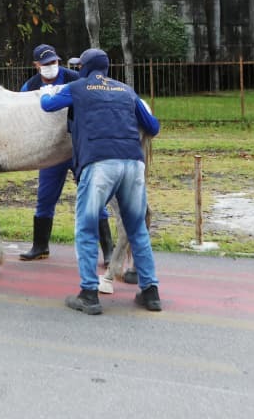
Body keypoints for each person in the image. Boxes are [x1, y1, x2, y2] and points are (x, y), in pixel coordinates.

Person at [40, 48, 162, 316]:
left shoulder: (78, 87)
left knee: (86, 227)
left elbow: (47, 106)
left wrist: (50, 92)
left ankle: (89, 294)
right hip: (133, 163)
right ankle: (151, 292)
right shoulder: (127, 90)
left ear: (84, 67)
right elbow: (152, 127)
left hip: (98, 164)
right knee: (137, 228)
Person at [18, 44, 115, 266]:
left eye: (54, 62)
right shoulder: (30, 87)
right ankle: (40, 246)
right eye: (45, 64)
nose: (51, 67)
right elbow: (22, 114)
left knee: (94, 196)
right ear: (36, 66)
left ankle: (108, 250)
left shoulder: (75, 79)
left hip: (78, 148)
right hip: (50, 151)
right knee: (45, 197)